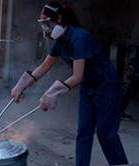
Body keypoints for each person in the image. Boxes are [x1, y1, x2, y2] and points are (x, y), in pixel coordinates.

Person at [11, 2, 128, 166]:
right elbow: (44, 66)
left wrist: (51, 93)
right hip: (88, 86)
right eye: (43, 24)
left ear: (59, 19)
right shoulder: (60, 41)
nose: (46, 28)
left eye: (47, 23)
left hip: (105, 85)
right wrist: (22, 84)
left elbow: (77, 75)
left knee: (105, 134)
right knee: (83, 132)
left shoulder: (80, 37)